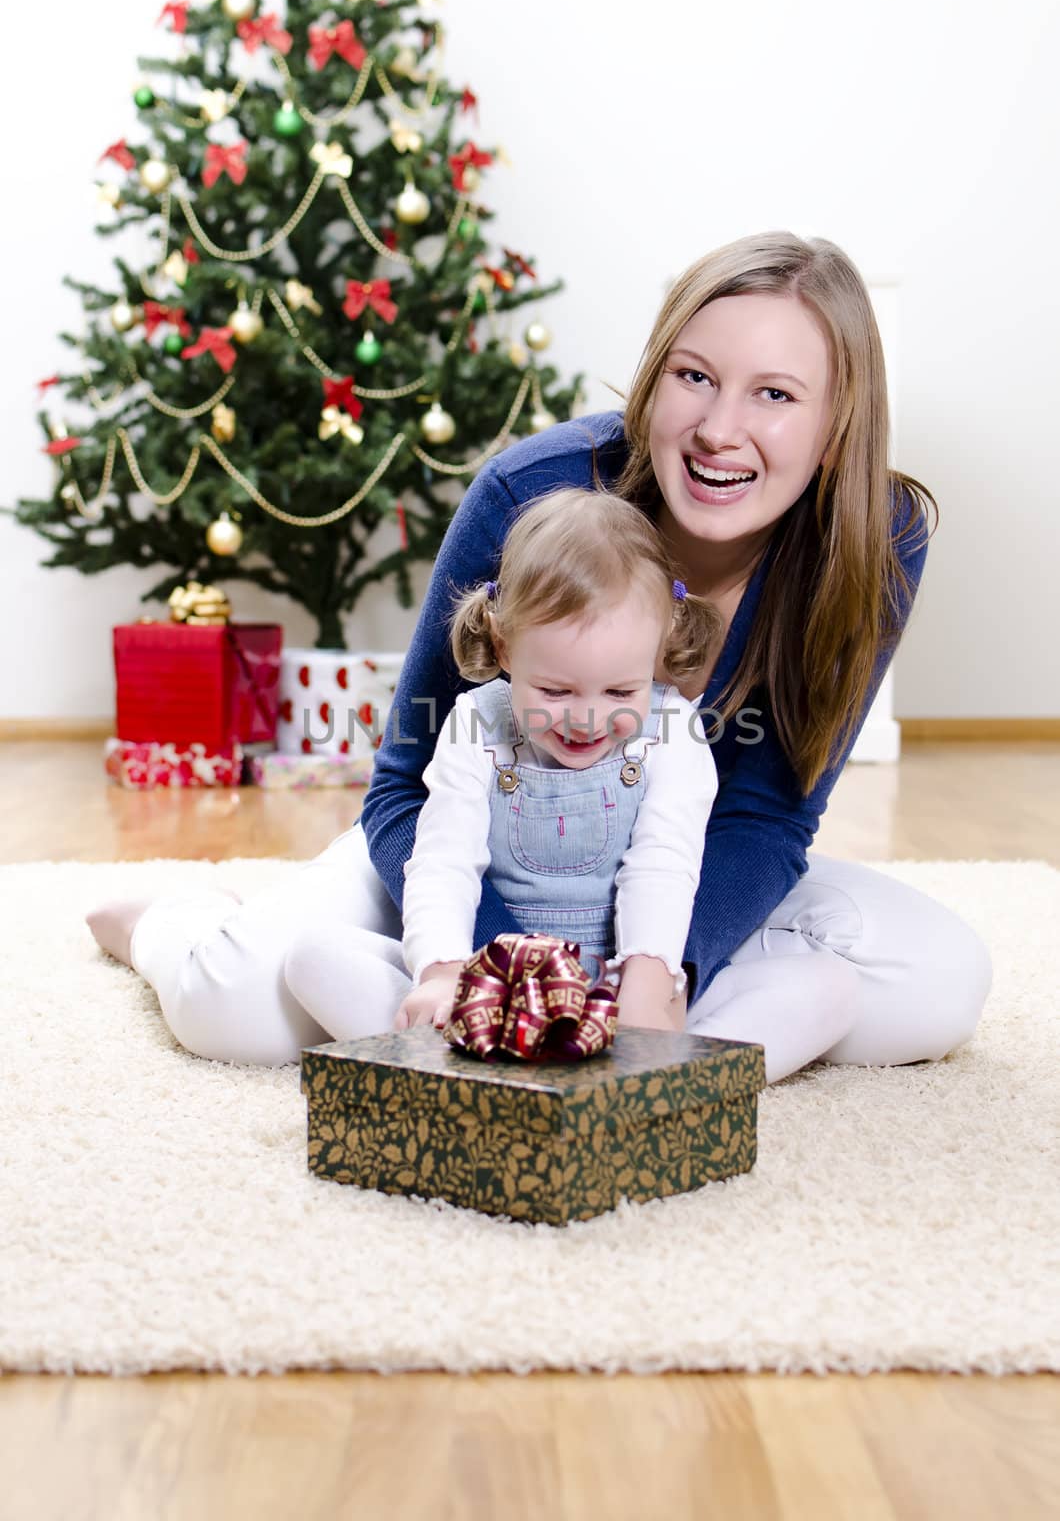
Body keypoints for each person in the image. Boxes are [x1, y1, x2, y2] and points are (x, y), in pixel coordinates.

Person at [88, 230, 992, 1083]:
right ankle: (178, 925)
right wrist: (496, 965)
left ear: (838, 425)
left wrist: (664, 968)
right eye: (695, 376)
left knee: (941, 985)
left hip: (672, 873)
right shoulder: (535, 494)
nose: (721, 428)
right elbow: (406, 784)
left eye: (777, 394)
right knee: (235, 1011)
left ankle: (619, 1025)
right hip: (478, 848)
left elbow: (770, 819)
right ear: (653, 378)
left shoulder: (877, 542)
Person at [374, 485, 720, 1038]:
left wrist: (646, 997)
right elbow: (444, 862)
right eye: (555, 692)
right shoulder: (476, 724)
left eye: (619, 692)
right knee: (314, 961)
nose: (585, 720)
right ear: (505, 647)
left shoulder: (672, 731)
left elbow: (664, 865)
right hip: (493, 981)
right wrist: (442, 973)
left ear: (659, 649)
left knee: (820, 990)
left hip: (621, 981)